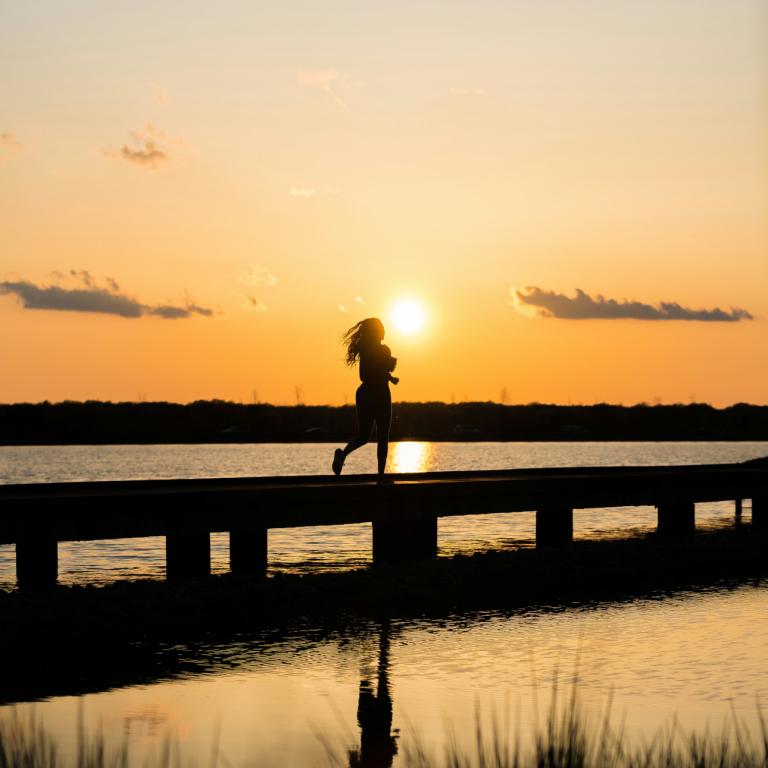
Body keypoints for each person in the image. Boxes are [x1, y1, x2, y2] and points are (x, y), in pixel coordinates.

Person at [333, 318, 399, 477]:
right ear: (375, 332)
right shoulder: (367, 350)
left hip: (383, 394)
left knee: (383, 436)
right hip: (368, 395)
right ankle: (341, 455)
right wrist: (386, 374)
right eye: (382, 328)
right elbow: (364, 376)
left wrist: (388, 375)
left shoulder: (385, 350)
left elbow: (384, 369)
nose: (384, 331)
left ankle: (381, 475)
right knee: (364, 437)